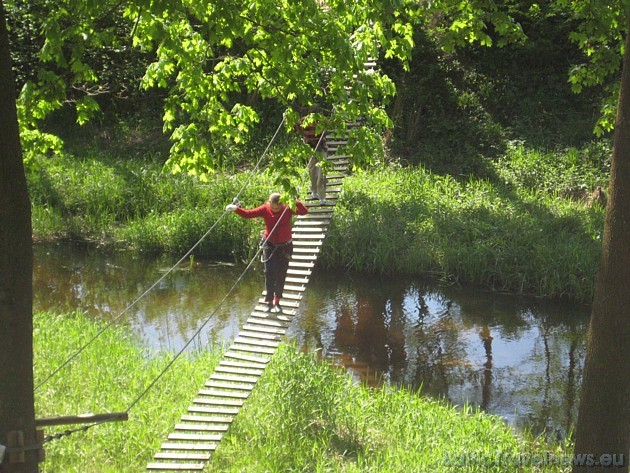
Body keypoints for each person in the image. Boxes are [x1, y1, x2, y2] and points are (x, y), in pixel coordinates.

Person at [226, 193, 308, 313]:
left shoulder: (287, 208)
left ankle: (277, 301)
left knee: (281, 273)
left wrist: (295, 201)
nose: (275, 210)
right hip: (269, 244)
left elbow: (304, 211)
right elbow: (248, 214)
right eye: (273, 207)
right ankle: (269, 302)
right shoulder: (265, 209)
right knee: (269, 272)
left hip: (285, 246)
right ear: (269, 203)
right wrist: (235, 209)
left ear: (282, 204)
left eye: (277, 208)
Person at [297, 118, 328, 204]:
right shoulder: (304, 122)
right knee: (312, 173)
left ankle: (322, 197)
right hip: (310, 151)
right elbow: (295, 128)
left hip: (321, 150)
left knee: (321, 174)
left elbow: (330, 127)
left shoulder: (322, 122)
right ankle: (314, 192)